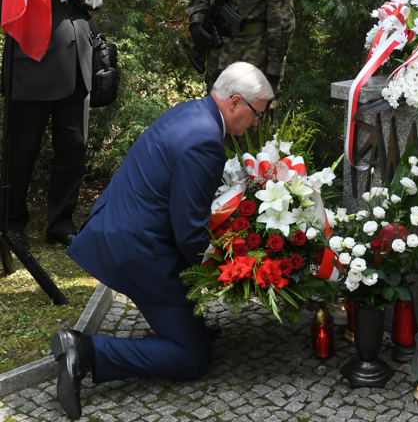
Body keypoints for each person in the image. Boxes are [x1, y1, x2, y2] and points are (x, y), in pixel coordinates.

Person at [54, 63, 273, 420]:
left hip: (122, 228)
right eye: (255, 115)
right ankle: (85, 350)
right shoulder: (205, 141)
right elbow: (189, 233)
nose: (254, 124)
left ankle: (184, 320)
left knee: (190, 328)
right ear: (235, 102)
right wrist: (236, 271)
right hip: (137, 251)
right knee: (192, 358)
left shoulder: (193, 112)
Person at [1, 0, 103, 249]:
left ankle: (61, 224)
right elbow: (5, 2)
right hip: (32, 69)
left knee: (72, 150)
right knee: (21, 152)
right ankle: (13, 225)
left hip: (76, 68)